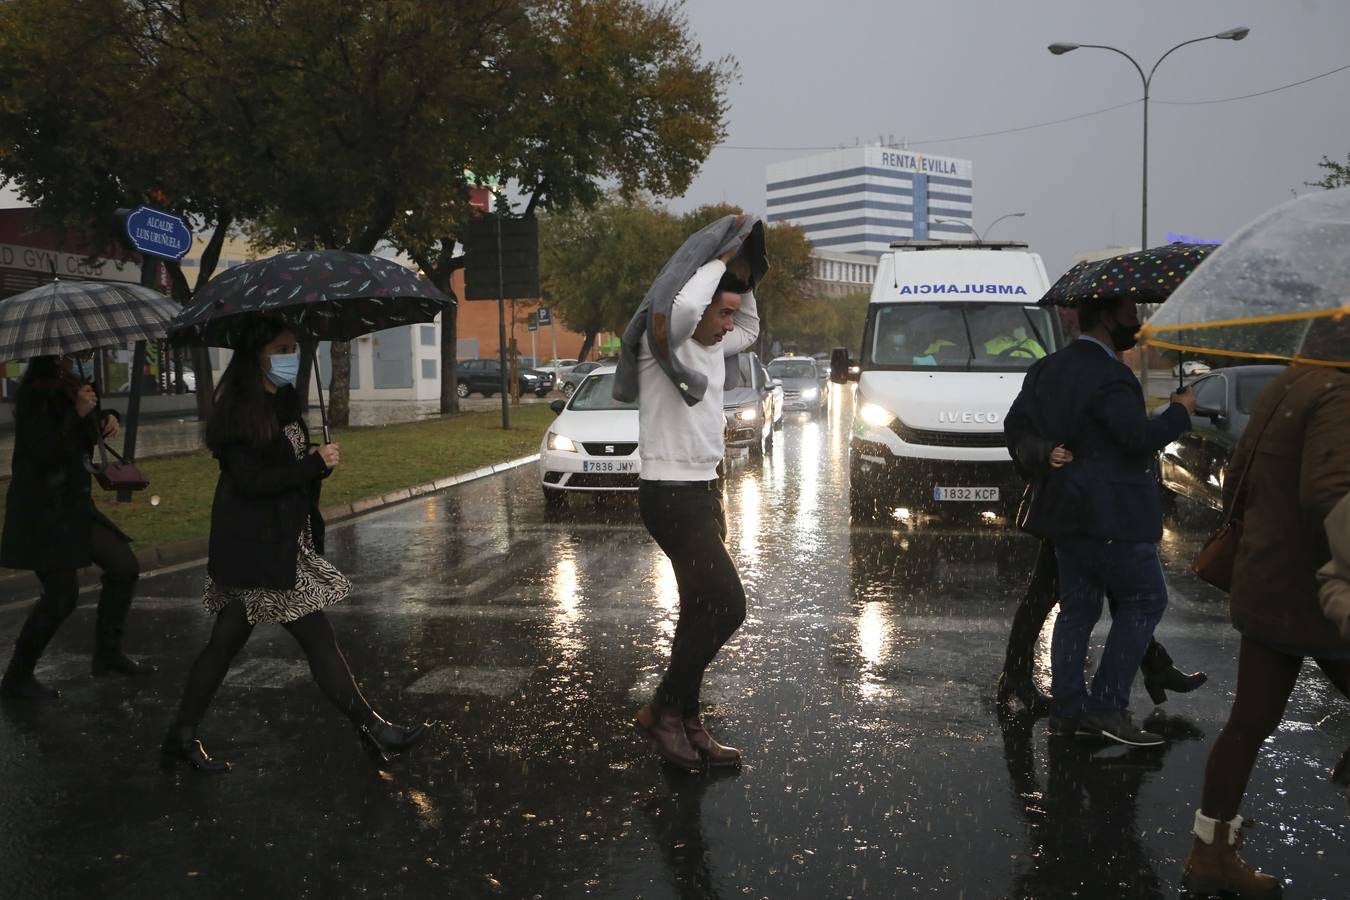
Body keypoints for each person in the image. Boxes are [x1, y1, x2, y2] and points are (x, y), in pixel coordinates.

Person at [161, 317, 426, 773]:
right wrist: (311, 466)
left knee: (223, 645)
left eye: (295, 347)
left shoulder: (280, 401)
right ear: (256, 354)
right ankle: (373, 727)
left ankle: (180, 737)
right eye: (282, 348)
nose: (292, 355)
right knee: (319, 641)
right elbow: (251, 483)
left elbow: (287, 469)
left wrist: (314, 463)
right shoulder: (238, 413)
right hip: (260, 548)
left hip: (281, 541)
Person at [1181, 362, 1350, 897]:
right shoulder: (1340, 391)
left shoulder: (1290, 382)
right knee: (1249, 722)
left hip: (1268, 579)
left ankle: (1209, 854)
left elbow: (1242, 476)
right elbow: (1331, 495)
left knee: (1248, 722)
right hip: (1317, 590)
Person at [1005, 295, 1195, 747]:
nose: (1136, 322)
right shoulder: (1111, 375)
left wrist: (1043, 450)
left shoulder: (1047, 368)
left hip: (1066, 515)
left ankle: (1068, 712)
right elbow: (1135, 439)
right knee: (1145, 600)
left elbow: (1015, 425)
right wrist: (1180, 412)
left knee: (1078, 611)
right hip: (1113, 516)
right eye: (1131, 314)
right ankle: (1108, 706)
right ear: (1107, 318)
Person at [615, 214, 763, 772]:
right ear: (698, 306)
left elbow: (750, 329)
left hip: (705, 490)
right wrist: (719, 260)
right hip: (671, 496)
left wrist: (746, 276)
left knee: (697, 609)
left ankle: (691, 720)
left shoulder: (712, 346)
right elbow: (676, 308)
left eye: (730, 312)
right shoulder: (666, 344)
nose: (730, 324)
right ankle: (664, 711)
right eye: (721, 312)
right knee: (727, 604)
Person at [1, 354, 150, 700]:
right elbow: (41, 451)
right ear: (55, 357)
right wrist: (79, 414)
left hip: (75, 506)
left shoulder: (77, 387)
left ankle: (108, 654)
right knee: (60, 597)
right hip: (41, 511)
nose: (82, 358)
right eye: (74, 355)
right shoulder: (36, 393)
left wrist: (107, 417)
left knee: (124, 566)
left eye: (84, 354)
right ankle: (16, 678)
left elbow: (86, 432)